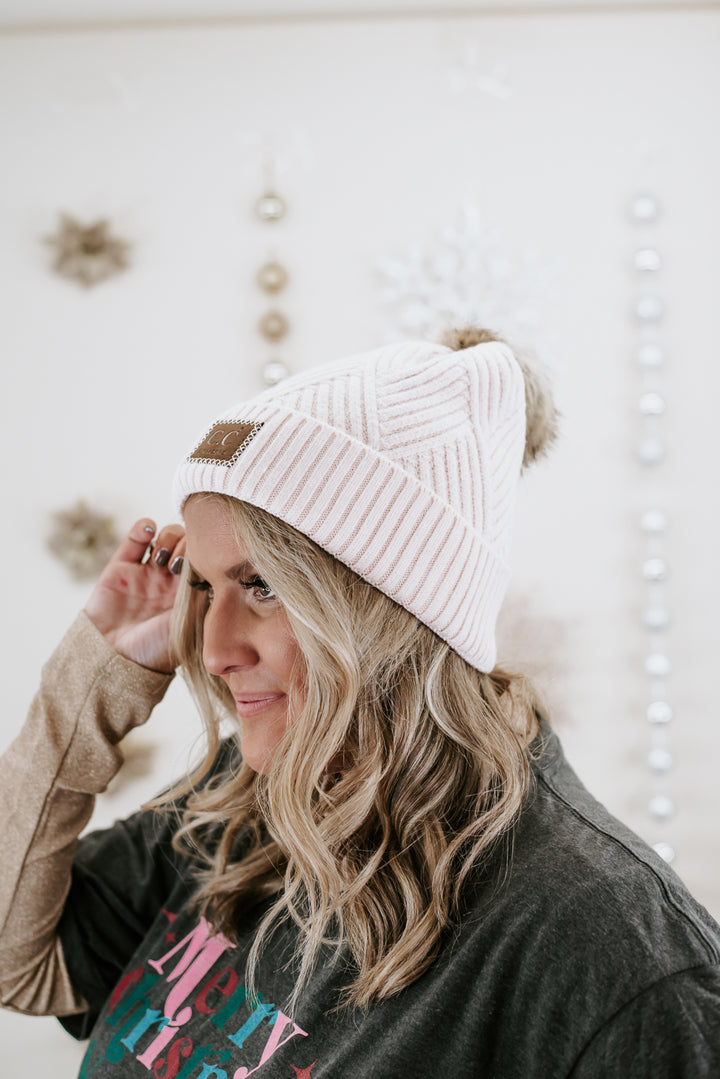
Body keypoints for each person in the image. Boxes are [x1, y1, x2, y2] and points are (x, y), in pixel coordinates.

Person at [1, 328, 718, 1079]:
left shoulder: (614, 951)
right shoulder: (242, 801)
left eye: (262, 585)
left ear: (393, 607)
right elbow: (18, 959)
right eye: (205, 586)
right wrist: (92, 682)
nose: (212, 652)